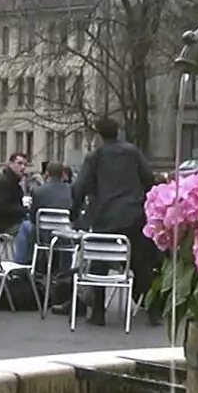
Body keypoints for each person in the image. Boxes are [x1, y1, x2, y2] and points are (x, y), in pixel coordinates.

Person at [71, 117, 156, 327]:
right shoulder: (133, 152)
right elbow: (149, 177)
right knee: (140, 263)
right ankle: (154, 311)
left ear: (99, 135)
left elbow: (80, 186)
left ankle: (98, 312)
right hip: (134, 215)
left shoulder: (96, 156)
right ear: (118, 132)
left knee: (99, 264)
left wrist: (75, 212)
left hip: (105, 216)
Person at [0, 152, 28, 233]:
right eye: (19, 163)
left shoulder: (12, 181)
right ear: (10, 164)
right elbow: (5, 207)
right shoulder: (3, 182)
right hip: (2, 226)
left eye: (25, 165)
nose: (22, 167)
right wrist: (25, 210)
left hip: (8, 223)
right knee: (29, 230)